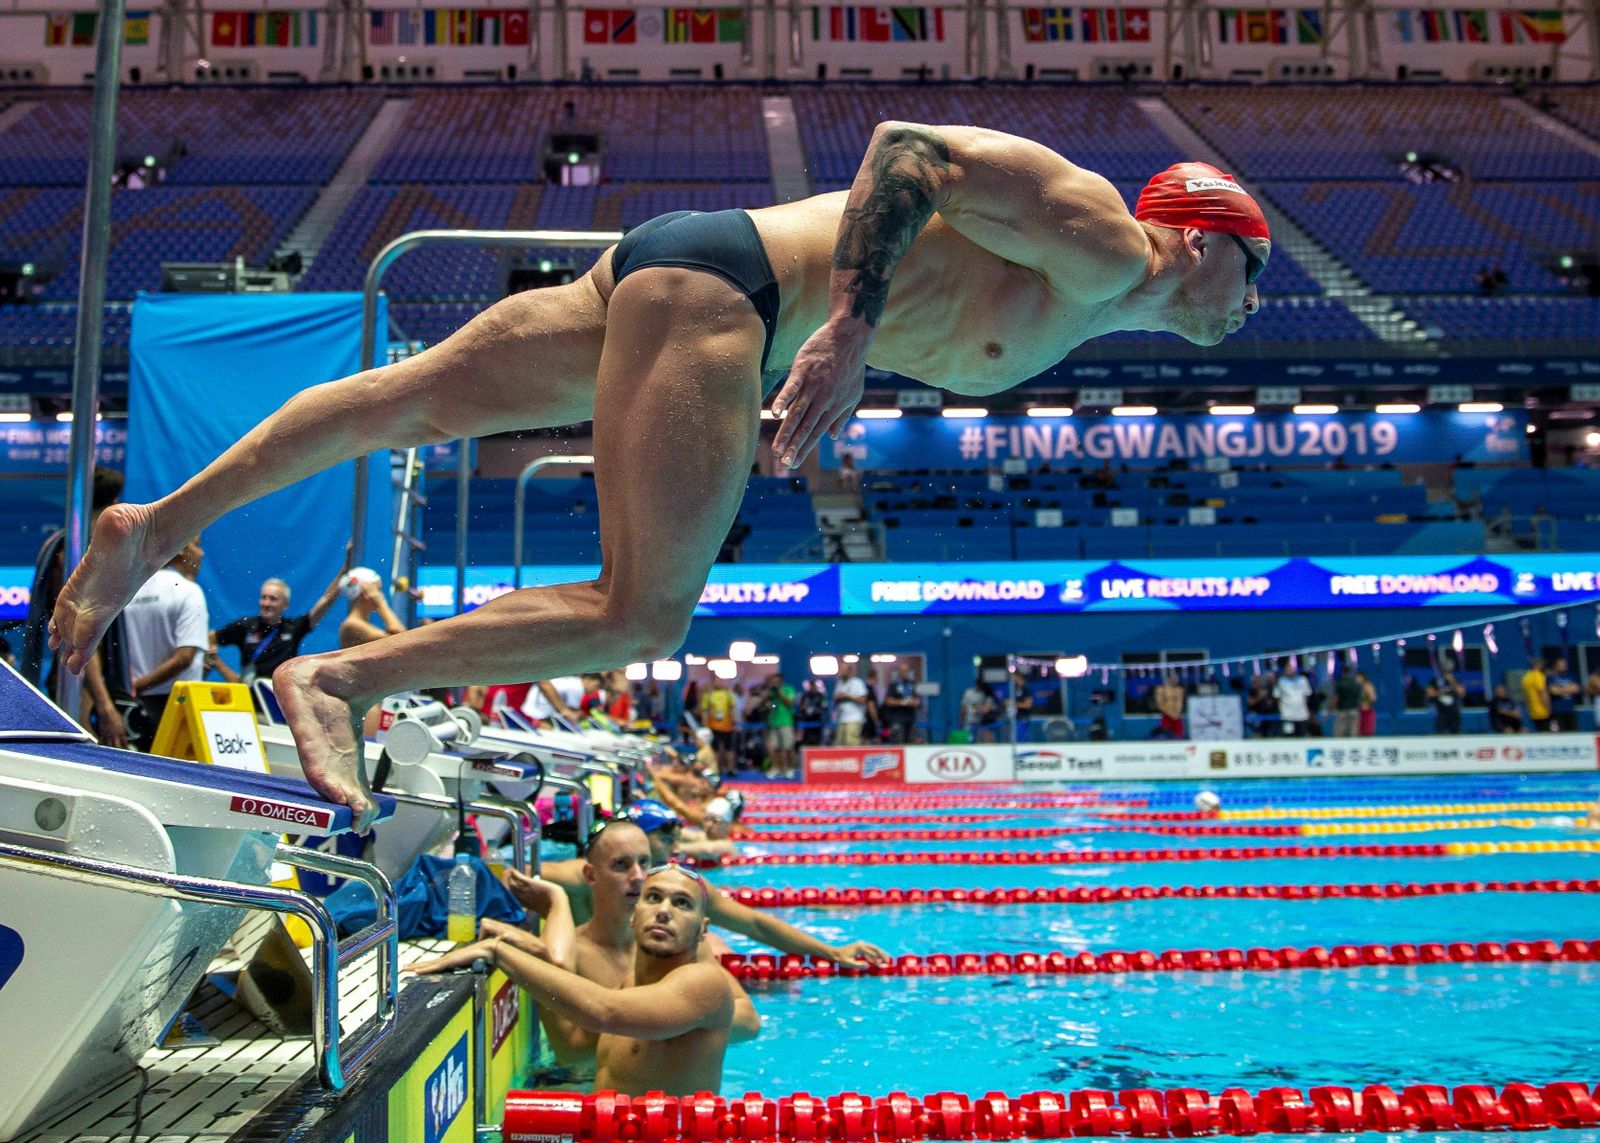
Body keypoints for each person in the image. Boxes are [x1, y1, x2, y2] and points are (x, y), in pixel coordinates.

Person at [48, 128, 1267, 828]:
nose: (1251, 310)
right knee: (639, 611)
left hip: (691, 266)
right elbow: (910, 153)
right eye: (1253, 279)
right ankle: (338, 677)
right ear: (1209, 239)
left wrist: (843, 346)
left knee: (407, 400)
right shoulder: (1110, 242)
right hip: (723, 298)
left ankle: (155, 523)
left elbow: (938, 285)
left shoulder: (1078, 299)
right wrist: (845, 330)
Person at [411, 863, 734, 1097]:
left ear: (702, 928)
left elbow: (603, 1011)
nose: (664, 911)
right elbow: (574, 1050)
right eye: (653, 898)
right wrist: (537, 959)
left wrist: (500, 953)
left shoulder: (705, 983)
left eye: (682, 904)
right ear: (634, 914)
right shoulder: (631, 983)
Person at [488, 822, 759, 1083]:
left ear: (702, 928)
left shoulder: (685, 953)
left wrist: (674, 1016)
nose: (638, 877)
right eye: (622, 865)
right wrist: (556, 901)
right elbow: (574, 1046)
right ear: (591, 876)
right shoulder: (608, 964)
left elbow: (748, 1020)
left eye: (645, 863)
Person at [539, 802, 888, 968]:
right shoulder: (585, 874)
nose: (675, 844)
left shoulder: (683, 884)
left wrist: (832, 951)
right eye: (666, 837)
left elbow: (752, 922)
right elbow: (512, 873)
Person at [209, 550, 350, 686]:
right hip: (248, 700)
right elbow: (209, 639)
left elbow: (326, 601)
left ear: (285, 604)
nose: (266, 603)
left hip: (279, 702)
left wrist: (344, 569)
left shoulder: (293, 628)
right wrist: (220, 665)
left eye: (273, 599)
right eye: (263, 598)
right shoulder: (245, 626)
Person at [122, 535, 208, 746]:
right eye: (196, 545)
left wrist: (132, 688)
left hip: (133, 704)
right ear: (179, 550)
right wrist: (139, 686)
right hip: (177, 705)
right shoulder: (189, 591)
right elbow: (184, 657)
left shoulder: (130, 591)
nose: (202, 553)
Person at [337, 568, 406, 649]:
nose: (381, 595)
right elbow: (403, 642)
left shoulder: (359, 622)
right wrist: (381, 604)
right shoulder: (351, 625)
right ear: (364, 592)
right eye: (378, 590)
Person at [759, 672, 798, 777]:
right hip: (774, 723)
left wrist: (779, 693)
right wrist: (767, 696)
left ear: (781, 681)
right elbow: (766, 704)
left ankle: (789, 769)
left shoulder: (788, 689)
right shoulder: (771, 693)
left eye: (776, 681)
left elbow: (790, 702)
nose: (774, 683)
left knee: (788, 748)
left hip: (786, 722)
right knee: (772, 747)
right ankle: (777, 768)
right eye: (773, 682)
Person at [698, 676, 737, 776]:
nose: (719, 683)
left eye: (721, 681)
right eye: (716, 681)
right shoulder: (709, 695)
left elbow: (732, 709)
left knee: (729, 749)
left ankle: (731, 769)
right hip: (713, 727)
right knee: (715, 750)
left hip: (727, 727)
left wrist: (734, 722)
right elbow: (705, 711)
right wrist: (704, 726)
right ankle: (716, 769)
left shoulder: (728, 694)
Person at [831, 661, 870, 745]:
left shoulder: (857, 682)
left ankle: (863, 748)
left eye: (843, 670)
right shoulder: (839, 683)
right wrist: (837, 698)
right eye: (840, 670)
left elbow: (863, 700)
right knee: (840, 742)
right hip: (842, 718)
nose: (841, 672)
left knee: (851, 741)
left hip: (854, 718)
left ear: (849, 671)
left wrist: (848, 696)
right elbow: (836, 699)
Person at [880, 663, 920, 745]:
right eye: (902, 671)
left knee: (912, 742)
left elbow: (918, 700)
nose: (904, 673)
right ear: (898, 672)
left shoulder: (913, 684)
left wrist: (915, 702)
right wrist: (903, 703)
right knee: (898, 741)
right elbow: (888, 701)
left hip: (910, 719)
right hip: (897, 719)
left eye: (906, 670)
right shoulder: (893, 685)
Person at [1272, 661, 1313, 737]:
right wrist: (1281, 709)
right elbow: (1276, 696)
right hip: (1287, 716)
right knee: (1289, 736)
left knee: (1302, 735)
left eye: (1291, 668)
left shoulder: (1303, 680)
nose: (1289, 670)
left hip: (1302, 715)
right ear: (1285, 670)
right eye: (1287, 668)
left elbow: (1307, 695)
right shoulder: (1280, 682)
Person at [1546, 657, 1580, 732]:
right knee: (1561, 732)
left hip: (1570, 710)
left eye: (1564, 664)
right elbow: (1553, 691)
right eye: (1560, 664)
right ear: (1555, 666)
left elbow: (1576, 689)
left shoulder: (1571, 676)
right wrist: (1568, 688)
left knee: (1574, 732)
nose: (1563, 666)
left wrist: (1560, 689)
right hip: (1558, 710)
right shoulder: (1551, 678)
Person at [1427, 670, 1465, 735]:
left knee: (1456, 733)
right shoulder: (1436, 680)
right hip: (1441, 713)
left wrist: (1453, 682)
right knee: (1440, 733)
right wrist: (1440, 692)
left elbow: (1462, 693)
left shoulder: (1455, 679)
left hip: (1454, 712)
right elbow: (1429, 693)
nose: (1447, 674)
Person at [1331, 668, 1363, 738]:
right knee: (1353, 733)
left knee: (1338, 733)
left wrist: (1330, 709)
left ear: (1342, 672)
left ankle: (1338, 747)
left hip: (1342, 710)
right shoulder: (1356, 683)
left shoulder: (1340, 683)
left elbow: (1336, 698)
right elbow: (1360, 698)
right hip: (1354, 710)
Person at [1521, 659, 1551, 733]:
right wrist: (1548, 707)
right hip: (1542, 710)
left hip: (1531, 711)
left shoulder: (1526, 677)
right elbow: (1542, 693)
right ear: (1538, 665)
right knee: (1545, 733)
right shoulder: (1539, 676)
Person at [1152, 672, 1185, 739]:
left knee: (1178, 736)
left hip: (1177, 717)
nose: (1176, 680)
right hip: (1167, 716)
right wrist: (1170, 713)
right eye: (1173, 678)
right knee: (1166, 736)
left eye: (1177, 679)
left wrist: (1176, 714)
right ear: (1168, 679)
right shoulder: (1161, 689)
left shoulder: (1180, 690)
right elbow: (1160, 704)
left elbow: (1180, 703)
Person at [1355, 669, 1378, 736]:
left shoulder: (1368, 686)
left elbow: (1373, 698)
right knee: (1360, 732)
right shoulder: (1362, 687)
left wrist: (1366, 703)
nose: (1356, 679)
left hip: (1367, 712)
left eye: (1357, 677)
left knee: (1367, 732)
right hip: (1362, 711)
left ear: (1362, 677)